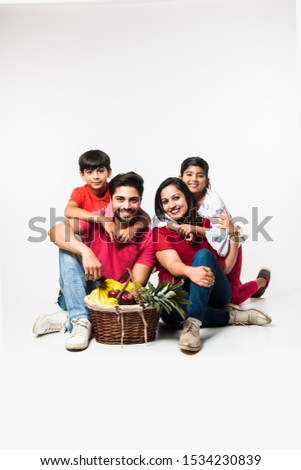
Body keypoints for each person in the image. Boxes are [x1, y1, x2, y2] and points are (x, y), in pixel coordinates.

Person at [32, 172, 155, 351]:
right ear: (111, 199)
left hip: (113, 299)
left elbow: (135, 285)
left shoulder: (147, 236)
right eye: (120, 199)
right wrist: (85, 251)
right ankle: (81, 319)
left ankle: (71, 320)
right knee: (67, 247)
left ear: (141, 201)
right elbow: (55, 231)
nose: (126, 206)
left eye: (133, 200)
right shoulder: (98, 218)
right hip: (78, 289)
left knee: (70, 246)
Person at [153, 177, 272, 353]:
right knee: (165, 308)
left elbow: (226, 269)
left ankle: (192, 324)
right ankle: (231, 317)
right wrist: (191, 272)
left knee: (203, 255)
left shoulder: (206, 225)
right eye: (165, 201)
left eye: (176, 198)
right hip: (180, 296)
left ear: (186, 197)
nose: (171, 204)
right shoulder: (160, 231)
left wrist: (233, 235)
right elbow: (172, 264)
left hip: (214, 293)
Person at [154, 156, 271, 303]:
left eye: (200, 175)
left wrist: (194, 229)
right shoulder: (177, 197)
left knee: (233, 298)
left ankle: (261, 281)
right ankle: (233, 283)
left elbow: (222, 234)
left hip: (229, 243)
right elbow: (159, 218)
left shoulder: (212, 201)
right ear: (180, 177)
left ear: (207, 180)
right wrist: (180, 228)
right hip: (211, 248)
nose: (194, 179)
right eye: (189, 174)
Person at [64, 149, 150, 243]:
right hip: (88, 238)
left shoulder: (116, 191)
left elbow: (145, 216)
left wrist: (133, 229)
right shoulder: (80, 192)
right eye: (89, 172)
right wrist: (101, 219)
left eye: (100, 171)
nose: (95, 176)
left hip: (110, 241)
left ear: (109, 172)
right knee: (65, 238)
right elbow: (68, 211)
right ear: (82, 175)